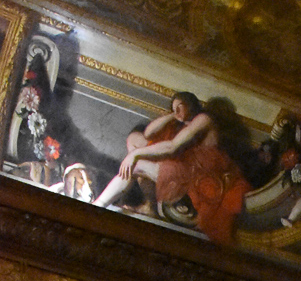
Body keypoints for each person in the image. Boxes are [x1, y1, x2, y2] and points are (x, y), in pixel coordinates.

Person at [94, 91, 248, 244]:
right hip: (187, 170)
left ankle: (99, 205)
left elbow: (172, 147)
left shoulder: (203, 119)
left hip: (197, 176)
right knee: (136, 143)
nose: (177, 111)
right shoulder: (183, 124)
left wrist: (135, 155)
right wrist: (172, 115)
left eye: (181, 106)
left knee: (137, 164)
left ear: (191, 105)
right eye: (174, 108)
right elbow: (148, 134)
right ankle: (120, 204)